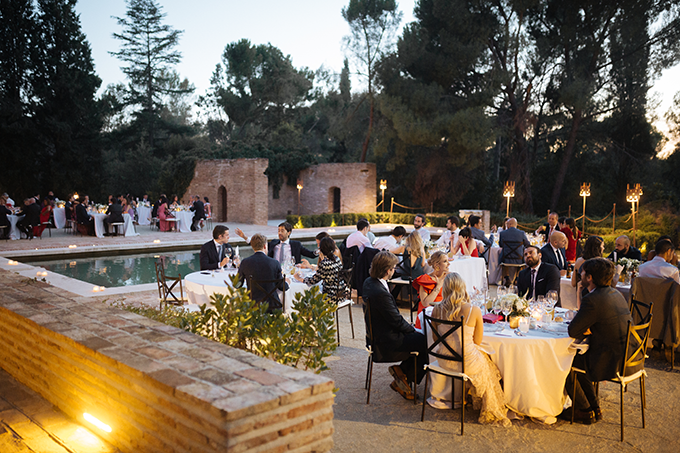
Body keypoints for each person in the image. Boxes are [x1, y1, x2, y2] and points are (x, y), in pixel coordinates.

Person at [426, 273, 511, 426]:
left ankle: (467, 396)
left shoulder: (436, 309)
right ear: (462, 288)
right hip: (465, 363)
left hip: (444, 361)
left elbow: (435, 339)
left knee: (481, 357)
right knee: (488, 361)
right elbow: (477, 341)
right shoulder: (473, 310)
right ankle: (486, 403)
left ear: (445, 289)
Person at [562, 258, 635, 424]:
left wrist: (586, 327)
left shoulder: (593, 300)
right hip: (628, 355)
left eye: (582, 271)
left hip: (609, 360)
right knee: (579, 359)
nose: (579, 273)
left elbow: (573, 330)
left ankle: (584, 410)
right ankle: (595, 407)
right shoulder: (615, 293)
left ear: (589, 278)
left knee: (567, 362)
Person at [363, 251, 428, 400]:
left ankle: (401, 373)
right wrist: (413, 329)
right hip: (386, 341)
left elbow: (392, 318)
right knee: (425, 341)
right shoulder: (381, 293)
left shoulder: (369, 282)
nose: (395, 270)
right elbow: (397, 321)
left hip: (377, 334)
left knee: (419, 337)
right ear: (388, 271)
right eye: (393, 268)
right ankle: (404, 377)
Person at [238, 233, 288, 313]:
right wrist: (287, 282)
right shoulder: (275, 263)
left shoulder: (245, 262)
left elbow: (238, 284)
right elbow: (282, 287)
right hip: (273, 306)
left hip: (253, 306)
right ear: (265, 246)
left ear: (252, 246)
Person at [295, 237, 347, 304]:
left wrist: (299, 279)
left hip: (330, 297)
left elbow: (314, 280)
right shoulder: (336, 259)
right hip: (341, 295)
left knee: (307, 299)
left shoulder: (324, 263)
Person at [411, 251, 448, 329]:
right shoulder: (425, 279)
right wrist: (438, 287)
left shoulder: (448, 277)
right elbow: (425, 303)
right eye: (445, 261)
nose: (449, 264)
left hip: (444, 315)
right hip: (428, 317)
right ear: (437, 265)